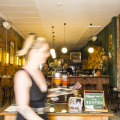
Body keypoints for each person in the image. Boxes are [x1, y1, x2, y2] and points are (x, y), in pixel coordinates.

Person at [14, 33, 50, 120]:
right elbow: (23, 108)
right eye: (45, 51)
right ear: (33, 51)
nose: (48, 54)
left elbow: (41, 93)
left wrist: (67, 90)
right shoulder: (22, 75)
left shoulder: (39, 72)